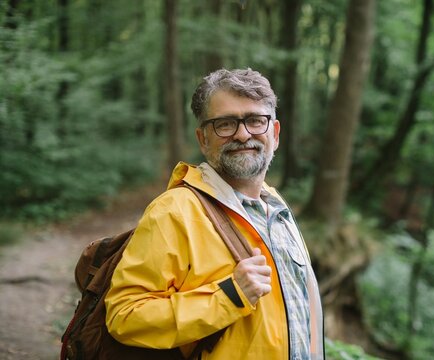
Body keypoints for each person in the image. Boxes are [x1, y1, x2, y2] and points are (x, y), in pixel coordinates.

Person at [104, 68, 324, 359]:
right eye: (225, 124)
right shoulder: (175, 212)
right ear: (203, 138)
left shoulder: (277, 207)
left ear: (275, 133)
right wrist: (229, 296)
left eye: (256, 120)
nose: (243, 134)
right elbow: (125, 315)